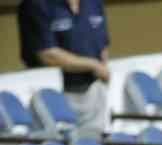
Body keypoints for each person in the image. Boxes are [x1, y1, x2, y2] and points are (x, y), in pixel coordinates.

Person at [18, 0, 110, 129]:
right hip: (54, 96)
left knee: (95, 139)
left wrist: (102, 70)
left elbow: (103, 43)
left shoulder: (93, 2)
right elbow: (47, 54)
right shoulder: (36, 4)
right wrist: (94, 65)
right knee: (55, 140)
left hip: (93, 91)